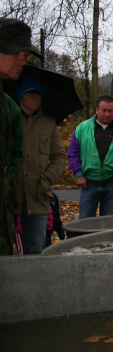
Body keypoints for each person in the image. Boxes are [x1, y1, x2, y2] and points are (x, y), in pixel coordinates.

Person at [12, 76, 66, 254]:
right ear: (21, 96)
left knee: (36, 248)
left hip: (38, 195)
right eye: (31, 94)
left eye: (38, 95)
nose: (36, 98)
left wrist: (46, 180)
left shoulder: (49, 124)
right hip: (10, 194)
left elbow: (59, 156)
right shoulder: (9, 119)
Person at [68, 96, 113, 219]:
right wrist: (79, 174)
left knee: (109, 222)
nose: (107, 114)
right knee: (85, 221)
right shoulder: (82, 129)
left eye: (110, 111)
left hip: (112, 183)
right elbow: (73, 153)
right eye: (103, 110)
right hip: (88, 183)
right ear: (96, 110)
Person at [0, 18, 36, 254]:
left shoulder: (8, 106)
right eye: (16, 53)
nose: (23, 60)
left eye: (26, 54)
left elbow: (16, 154)